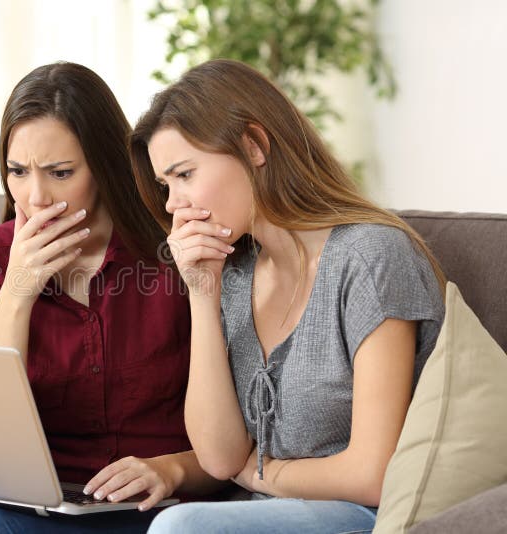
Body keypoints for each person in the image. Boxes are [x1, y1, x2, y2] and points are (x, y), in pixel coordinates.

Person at [0, 62, 221, 534]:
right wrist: (17, 292)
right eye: (18, 171)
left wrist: (172, 467)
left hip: (137, 499)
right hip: (23, 490)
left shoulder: (175, 256)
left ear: (105, 167)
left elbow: (234, 436)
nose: (36, 196)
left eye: (60, 172)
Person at [128, 59, 446, 534]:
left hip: (367, 516)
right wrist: (202, 292)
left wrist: (260, 472)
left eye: (185, 174)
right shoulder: (236, 273)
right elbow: (219, 458)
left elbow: (373, 475)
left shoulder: (371, 257)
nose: (173, 204)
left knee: (182, 527)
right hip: (266, 513)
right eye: (166, 185)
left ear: (254, 146)